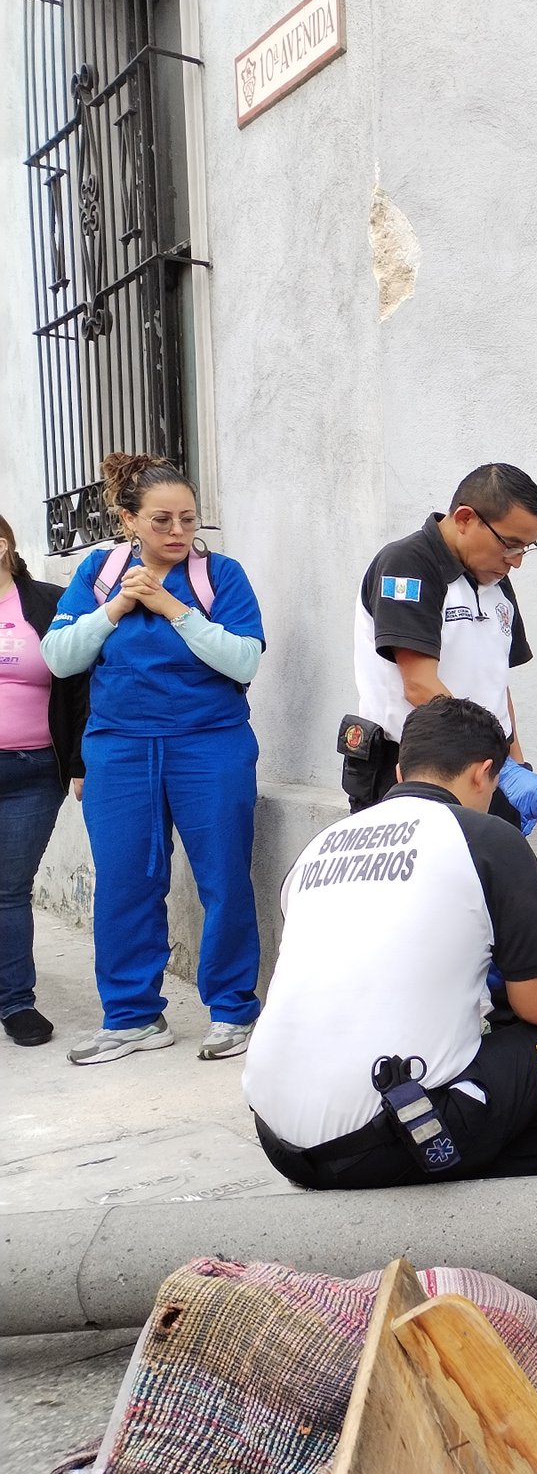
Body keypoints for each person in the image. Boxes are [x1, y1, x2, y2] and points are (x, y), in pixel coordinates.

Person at [242, 697, 537, 1189]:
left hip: (278, 1138)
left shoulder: (320, 844)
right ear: (485, 772)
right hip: (389, 1142)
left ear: (401, 769)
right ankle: (499, 1193)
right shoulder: (488, 838)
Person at [42, 454, 266, 1065]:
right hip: (119, 748)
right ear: (128, 521)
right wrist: (115, 608)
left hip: (210, 743)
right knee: (125, 881)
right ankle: (133, 1018)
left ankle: (233, 1010)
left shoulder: (222, 575)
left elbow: (244, 661)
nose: (176, 532)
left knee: (223, 877)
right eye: (161, 519)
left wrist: (172, 607)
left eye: (188, 520)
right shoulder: (98, 570)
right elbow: (60, 658)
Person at [347, 463, 537, 835]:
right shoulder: (408, 565)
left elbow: (496, 683)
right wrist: (503, 766)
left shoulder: (495, 578)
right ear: (465, 518)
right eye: (510, 544)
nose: (516, 561)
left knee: (489, 888)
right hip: (416, 772)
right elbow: (418, 684)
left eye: (526, 548)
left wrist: (518, 768)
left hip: (485, 767)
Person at [0, 512, 88, 1047]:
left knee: (9, 891)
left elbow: (78, 687)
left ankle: (16, 1002)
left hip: (33, 770)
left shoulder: (48, 603)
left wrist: (79, 762)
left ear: (4, 543)